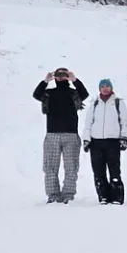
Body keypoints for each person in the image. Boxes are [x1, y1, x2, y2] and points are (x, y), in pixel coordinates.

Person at [33, 67, 90, 203]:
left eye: (63, 75)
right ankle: (53, 195)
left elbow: (85, 94)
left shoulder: (73, 93)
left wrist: (74, 80)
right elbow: (36, 95)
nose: (60, 78)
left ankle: (68, 194)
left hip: (70, 134)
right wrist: (45, 81)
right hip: (52, 133)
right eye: (58, 75)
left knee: (71, 166)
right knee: (50, 167)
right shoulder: (49, 93)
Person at [84, 78, 127, 205]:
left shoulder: (117, 103)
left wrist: (123, 137)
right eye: (102, 86)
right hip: (96, 142)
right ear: (99, 89)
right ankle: (103, 196)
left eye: (107, 86)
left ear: (111, 88)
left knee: (114, 169)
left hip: (113, 141)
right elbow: (88, 123)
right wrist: (86, 139)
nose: (105, 88)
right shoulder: (95, 103)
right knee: (98, 171)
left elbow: (125, 121)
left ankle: (117, 196)